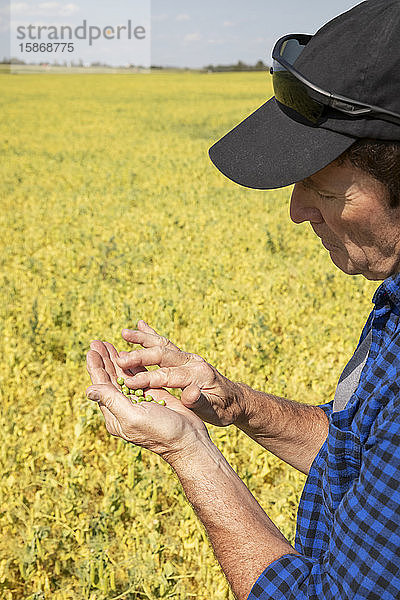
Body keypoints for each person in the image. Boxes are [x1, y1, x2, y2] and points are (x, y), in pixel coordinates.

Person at [86, 1, 400, 598]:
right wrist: (233, 403)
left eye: (326, 190)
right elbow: (364, 465)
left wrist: (187, 450)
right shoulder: (395, 296)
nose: (297, 212)